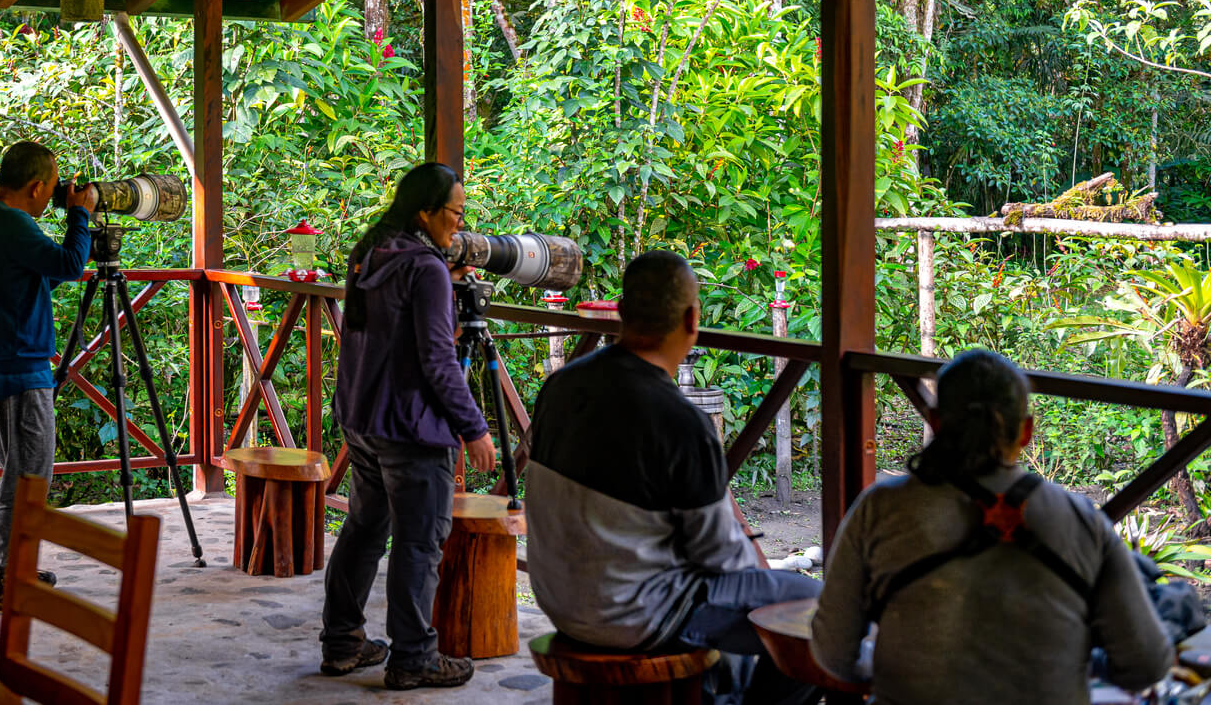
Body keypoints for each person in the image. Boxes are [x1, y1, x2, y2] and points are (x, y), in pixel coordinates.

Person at [526, 250, 821, 705]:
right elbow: (722, 559)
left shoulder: (561, 385)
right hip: (637, 615)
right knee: (816, 611)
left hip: (558, 599)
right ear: (691, 320)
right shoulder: (681, 422)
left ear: (621, 312)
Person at [811, 348, 1173, 704]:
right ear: (1026, 431)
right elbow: (1146, 664)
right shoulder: (1081, 518)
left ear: (935, 421)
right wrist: (1081, 662)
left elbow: (832, 651)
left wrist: (884, 673)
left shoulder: (880, 508)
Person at [319, 162, 498, 690]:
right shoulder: (424, 269)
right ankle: (414, 657)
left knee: (364, 530)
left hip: (363, 419)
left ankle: (343, 643)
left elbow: (384, 329)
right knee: (419, 543)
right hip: (411, 428)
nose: (460, 224)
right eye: (455, 213)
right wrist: (474, 428)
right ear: (426, 212)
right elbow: (438, 358)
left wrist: (443, 280)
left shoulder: (373, 251)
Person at [0, 141, 95, 610]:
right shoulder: (13, 224)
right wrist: (80, 216)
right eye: (52, 188)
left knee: (18, 475)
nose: (54, 196)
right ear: (36, 187)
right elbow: (69, 266)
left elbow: (33, 278)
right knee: (28, 478)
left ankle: (12, 564)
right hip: (19, 368)